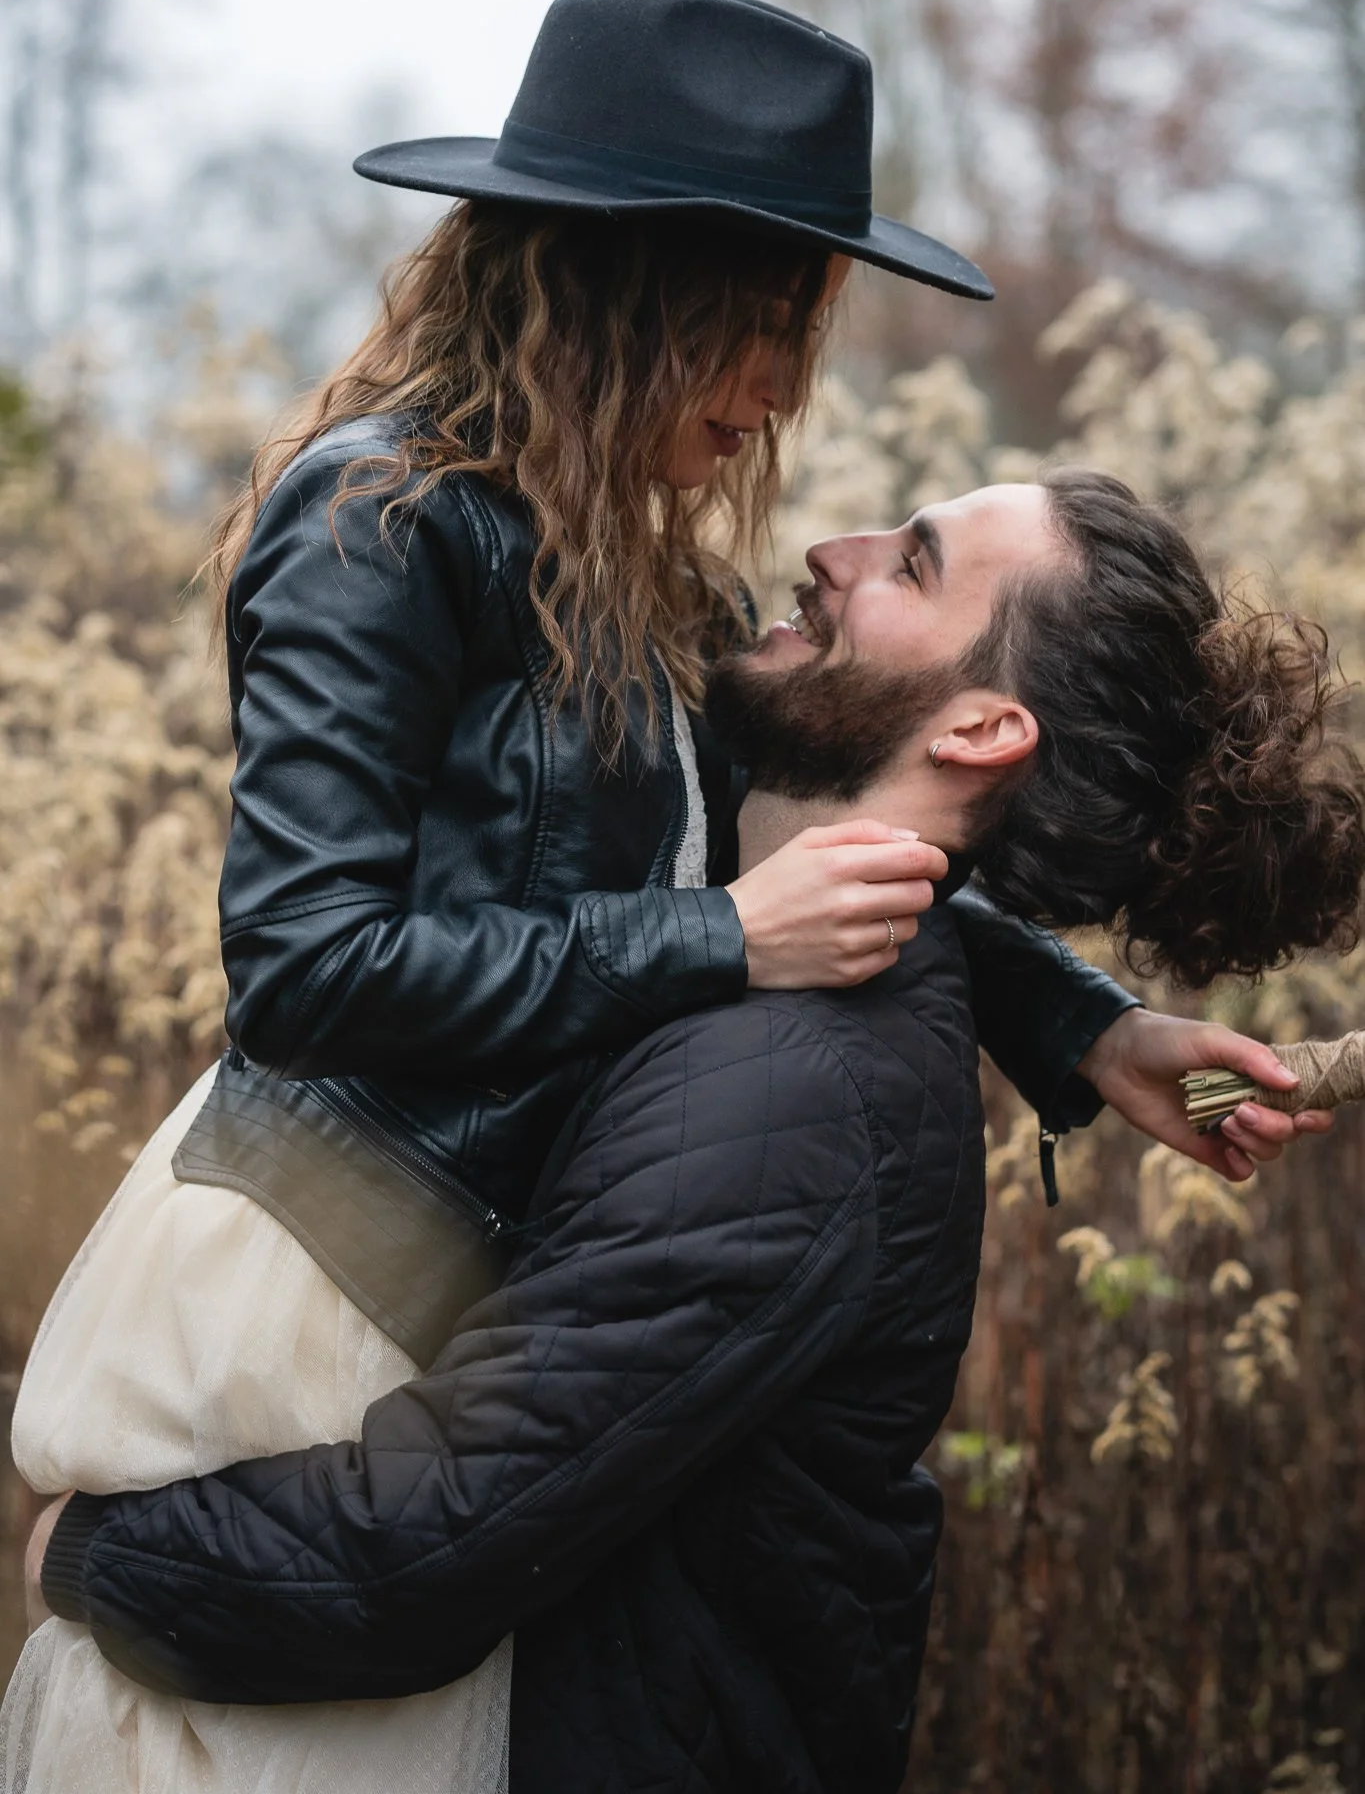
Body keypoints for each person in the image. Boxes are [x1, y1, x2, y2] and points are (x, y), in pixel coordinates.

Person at [18, 470, 1364, 1794]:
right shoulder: (790, 964)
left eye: (914, 564)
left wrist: (86, 1556)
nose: (834, 549)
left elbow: (431, 1547)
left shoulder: (787, 1090)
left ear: (978, 734)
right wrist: (1093, 1025)